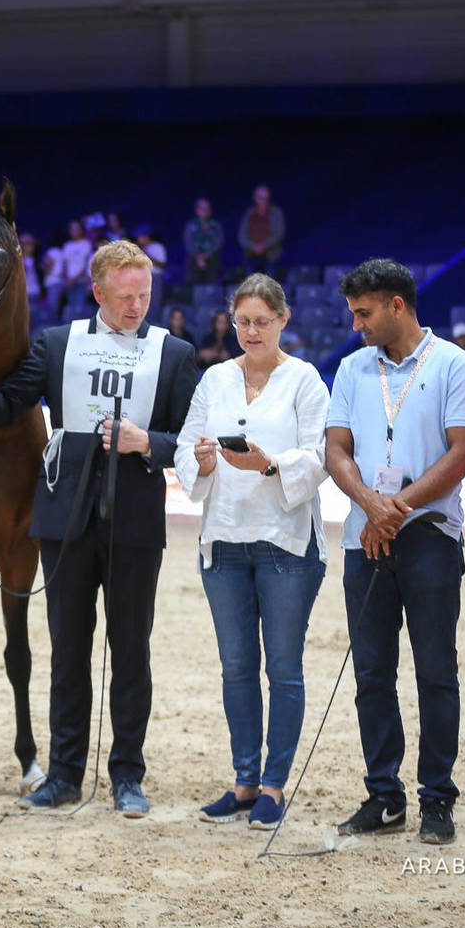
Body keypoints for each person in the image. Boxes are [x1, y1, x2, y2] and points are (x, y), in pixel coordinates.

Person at [0, 239, 200, 817]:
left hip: (134, 518)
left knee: (131, 650)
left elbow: (191, 442)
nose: (137, 306)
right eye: (125, 296)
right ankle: (63, 775)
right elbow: (6, 409)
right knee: (67, 651)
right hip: (64, 516)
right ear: (97, 292)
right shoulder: (59, 344)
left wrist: (147, 443)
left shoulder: (174, 353)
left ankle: (128, 775)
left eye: (145, 295)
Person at [324, 260, 465, 845]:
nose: (356, 324)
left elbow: (463, 452)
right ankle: (384, 796)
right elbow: (335, 449)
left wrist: (398, 507)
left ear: (397, 306)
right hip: (364, 532)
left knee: (435, 671)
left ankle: (437, 797)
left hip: (429, 536)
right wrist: (371, 503)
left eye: (364, 313)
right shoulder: (350, 368)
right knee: (372, 673)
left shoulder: (454, 364)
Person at [175, 274, 329, 831]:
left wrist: (267, 464)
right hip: (224, 538)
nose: (251, 331)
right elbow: (188, 446)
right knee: (237, 667)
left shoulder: (305, 380)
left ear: (284, 320)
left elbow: (319, 458)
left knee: (283, 668)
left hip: (285, 540)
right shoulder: (214, 378)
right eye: (243, 321)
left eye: (262, 321)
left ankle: (273, 786)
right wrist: (205, 461)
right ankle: (243, 781)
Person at [238, 184, 285, 279]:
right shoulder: (249, 214)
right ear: (255, 198)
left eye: (265, 198)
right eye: (260, 198)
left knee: (268, 288)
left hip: (270, 256)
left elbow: (279, 234)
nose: (263, 201)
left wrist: (263, 246)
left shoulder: (276, 213)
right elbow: (241, 236)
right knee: (251, 288)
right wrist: (253, 246)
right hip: (251, 256)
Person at [183, 197, 224, 285]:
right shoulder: (191, 225)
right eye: (201, 208)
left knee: (211, 284)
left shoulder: (215, 225)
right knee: (194, 284)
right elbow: (187, 242)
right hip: (194, 259)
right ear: (196, 210)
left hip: (211, 259)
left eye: (206, 208)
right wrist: (198, 256)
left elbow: (218, 242)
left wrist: (206, 255)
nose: (204, 211)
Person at [61, 219, 94, 311]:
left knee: (80, 308)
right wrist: (65, 279)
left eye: (77, 229)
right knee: (71, 308)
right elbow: (65, 264)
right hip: (69, 282)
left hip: (81, 281)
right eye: (72, 229)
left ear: (81, 230)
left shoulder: (86, 244)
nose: (74, 231)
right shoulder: (67, 245)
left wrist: (75, 279)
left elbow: (87, 264)